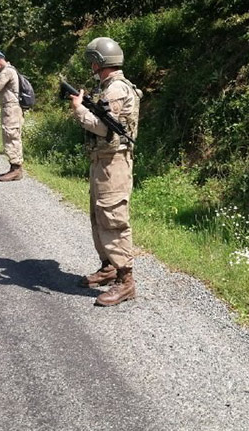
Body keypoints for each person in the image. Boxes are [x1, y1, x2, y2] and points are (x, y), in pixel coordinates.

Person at [69, 37, 142, 306]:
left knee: (113, 217)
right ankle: (109, 267)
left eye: (92, 62)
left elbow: (104, 128)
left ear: (100, 62)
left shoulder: (116, 90)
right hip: (103, 161)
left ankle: (126, 282)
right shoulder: (109, 87)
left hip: (114, 163)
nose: (90, 66)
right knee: (99, 215)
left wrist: (79, 110)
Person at [0, 50, 25, 181]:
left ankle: (16, 169)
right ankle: (13, 167)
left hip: (11, 109)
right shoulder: (10, 69)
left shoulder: (6, 71)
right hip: (10, 108)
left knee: (11, 136)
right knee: (10, 136)